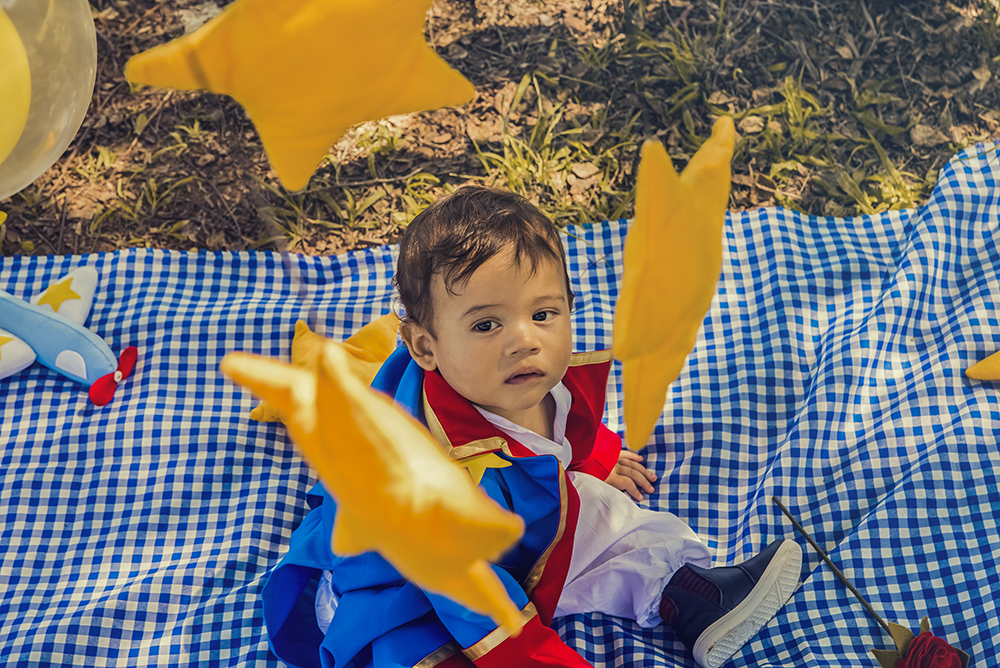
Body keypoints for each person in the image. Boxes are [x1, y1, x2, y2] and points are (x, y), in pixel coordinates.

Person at [261, 185, 803, 668]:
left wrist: (596, 459)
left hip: (515, 526)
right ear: (426, 346)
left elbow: (562, 433)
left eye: (544, 314)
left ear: (569, 305)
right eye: (486, 324)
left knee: (611, 514)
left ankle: (692, 595)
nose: (525, 339)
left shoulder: (530, 377)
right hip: (410, 578)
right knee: (415, 648)